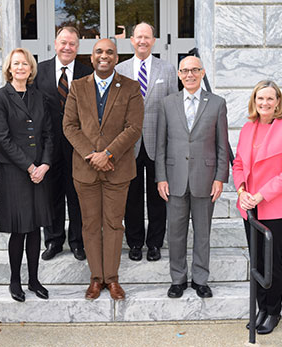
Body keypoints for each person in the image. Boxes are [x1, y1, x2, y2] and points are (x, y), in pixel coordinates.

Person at [63, 38, 144, 301]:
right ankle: (96, 279)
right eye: (99, 51)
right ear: (92, 57)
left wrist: (108, 154)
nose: (104, 56)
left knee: (113, 224)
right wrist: (92, 155)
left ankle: (112, 279)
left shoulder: (131, 87)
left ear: (117, 58)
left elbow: (133, 128)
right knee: (89, 225)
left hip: (117, 169)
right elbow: (70, 126)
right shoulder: (77, 87)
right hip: (85, 170)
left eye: (110, 52)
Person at [156, 56, 229, 300]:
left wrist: (220, 177)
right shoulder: (167, 103)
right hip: (174, 178)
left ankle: (200, 279)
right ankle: (178, 279)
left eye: (194, 70)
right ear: (178, 74)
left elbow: (222, 145)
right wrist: (160, 178)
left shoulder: (217, 104)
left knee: (202, 232)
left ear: (202, 72)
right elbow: (161, 145)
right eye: (185, 70)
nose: (189, 75)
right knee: (175, 232)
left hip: (206, 179)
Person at [233, 80, 282, 334]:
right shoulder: (247, 128)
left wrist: (260, 195)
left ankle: (273, 311)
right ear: (254, 101)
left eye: (270, 99)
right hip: (249, 207)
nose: (265, 103)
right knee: (257, 261)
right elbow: (238, 163)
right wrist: (241, 191)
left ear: (278, 102)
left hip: (276, 208)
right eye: (260, 99)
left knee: (272, 262)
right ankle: (261, 307)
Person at [0, 48, 53, 303]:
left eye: (24, 64)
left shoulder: (40, 97)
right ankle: (15, 280)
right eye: (16, 64)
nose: (20, 68)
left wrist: (45, 164)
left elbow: (49, 134)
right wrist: (30, 167)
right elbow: (2, 138)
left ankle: (34, 279)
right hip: (15, 172)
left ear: (31, 68)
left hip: (40, 171)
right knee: (19, 228)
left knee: (35, 227)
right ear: (9, 68)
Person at [115, 22, 178, 262]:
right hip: (128, 145)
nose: (142, 41)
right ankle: (134, 243)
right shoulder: (119, 70)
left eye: (147, 37)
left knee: (157, 196)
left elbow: (173, 108)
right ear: (131, 40)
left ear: (154, 40)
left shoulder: (168, 69)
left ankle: (154, 243)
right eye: (138, 37)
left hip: (158, 142)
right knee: (131, 197)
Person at [34, 26, 93, 261]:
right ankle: (53, 240)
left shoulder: (87, 73)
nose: (67, 47)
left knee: (77, 195)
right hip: (48, 145)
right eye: (63, 42)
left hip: (78, 146)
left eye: (72, 43)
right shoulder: (39, 72)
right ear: (55, 44)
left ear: (78, 47)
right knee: (51, 194)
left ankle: (78, 242)